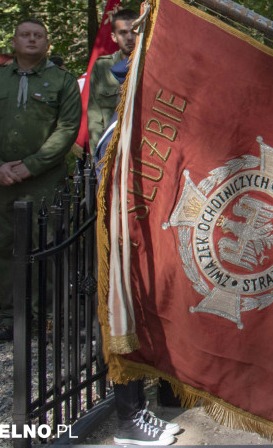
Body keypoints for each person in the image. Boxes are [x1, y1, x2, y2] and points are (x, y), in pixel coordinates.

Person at [0, 19, 82, 344]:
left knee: (46, 248)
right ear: (14, 41)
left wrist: (31, 166)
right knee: (5, 249)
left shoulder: (62, 81)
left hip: (44, 182)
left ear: (47, 43)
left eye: (38, 35)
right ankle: (12, 318)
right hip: (1, 182)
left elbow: (67, 129)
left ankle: (49, 320)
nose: (31, 39)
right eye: (25, 35)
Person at [93, 58, 179, 446]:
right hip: (122, 256)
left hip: (145, 252)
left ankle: (139, 412)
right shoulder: (116, 133)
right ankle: (128, 422)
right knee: (121, 334)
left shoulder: (144, 129)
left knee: (141, 332)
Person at [88, 9, 139, 154]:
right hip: (111, 148)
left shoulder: (154, 65)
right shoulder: (102, 67)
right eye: (123, 33)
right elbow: (95, 115)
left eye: (134, 31)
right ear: (114, 37)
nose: (129, 37)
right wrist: (98, 155)